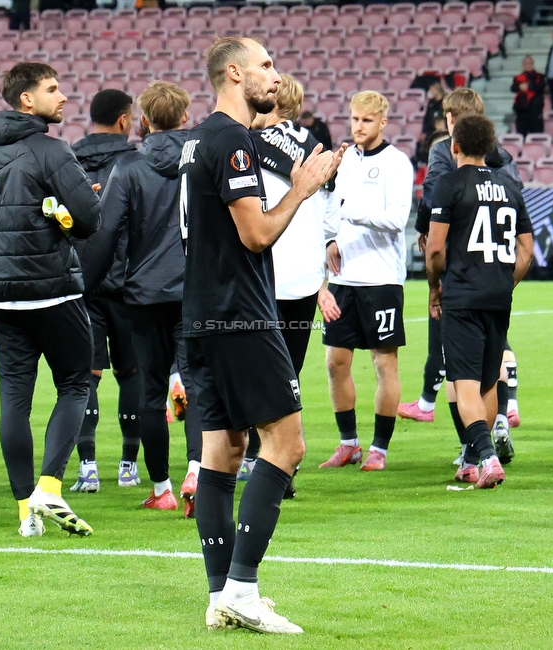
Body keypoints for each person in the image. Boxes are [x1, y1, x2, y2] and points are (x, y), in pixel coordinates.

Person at [180, 37, 341, 633]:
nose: (276, 74)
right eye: (265, 65)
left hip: (202, 312)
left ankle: (221, 592)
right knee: (288, 444)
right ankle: (243, 589)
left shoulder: (199, 139)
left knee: (221, 452)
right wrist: (303, 186)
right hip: (241, 313)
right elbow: (256, 235)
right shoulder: (233, 141)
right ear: (233, 72)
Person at [0, 62, 104, 537]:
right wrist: (71, 212)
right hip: (52, 288)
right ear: (27, 100)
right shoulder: (52, 150)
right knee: (75, 384)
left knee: (14, 401)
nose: (63, 95)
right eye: (52, 88)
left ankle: (26, 513)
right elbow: (89, 221)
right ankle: (48, 486)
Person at [93, 80, 203, 515]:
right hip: (193, 290)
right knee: (197, 384)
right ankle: (197, 466)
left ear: (143, 121)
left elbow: (107, 235)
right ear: (184, 118)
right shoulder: (201, 163)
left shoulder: (128, 168)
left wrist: (88, 285)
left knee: (151, 391)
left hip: (141, 294)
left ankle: (162, 487)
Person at [400, 88, 523, 459]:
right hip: (497, 271)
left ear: (453, 123)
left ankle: (473, 452)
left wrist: (433, 272)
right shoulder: (505, 160)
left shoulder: (445, 152)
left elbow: (435, 196)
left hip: (460, 270)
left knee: (460, 371)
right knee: (494, 356)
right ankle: (502, 414)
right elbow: (524, 232)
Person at [239, 74, 340, 492]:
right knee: (289, 372)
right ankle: (280, 463)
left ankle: (259, 457)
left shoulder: (252, 145)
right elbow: (330, 213)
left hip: (267, 274)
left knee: (253, 370)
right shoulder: (316, 147)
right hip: (304, 277)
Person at [426, 114, 534, 488]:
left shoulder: (448, 185)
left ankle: (486, 458)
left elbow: (436, 248)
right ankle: (473, 459)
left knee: (466, 382)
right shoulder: (509, 187)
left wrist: (435, 286)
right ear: (489, 147)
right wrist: (507, 281)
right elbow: (527, 250)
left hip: (463, 293)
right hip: (498, 295)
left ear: (454, 145)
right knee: (489, 383)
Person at [318, 90, 413, 472]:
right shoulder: (343, 162)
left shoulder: (396, 163)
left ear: (383, 122)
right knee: (335, 361)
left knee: (383, 364)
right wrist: (330, 239)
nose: (358, 126)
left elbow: (397, 219)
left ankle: (380, 449)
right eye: (355, 119)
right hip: (344, 278)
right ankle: (348, 443)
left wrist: (352, 213)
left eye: (367, 121)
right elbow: (329, 209)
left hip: (381, 279)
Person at [70, 89, 141, 493]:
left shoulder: (69, 162)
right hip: (131, 285)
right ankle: (129, 466)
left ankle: (88, 468)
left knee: (86, 375)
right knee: (131, 374)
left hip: (84, 282)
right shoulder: (136, 162)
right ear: (124, 119)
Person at [511, 56, 546, 136]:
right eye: (526, 63)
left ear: (533, 64)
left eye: (530, 63)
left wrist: (528, 86)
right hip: (522, 112)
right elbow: (513, 88)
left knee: (537, 136)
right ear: (523, 65)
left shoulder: (540, 76)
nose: (528, 65)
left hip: (535, 111)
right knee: (521, 135)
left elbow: (541, 86)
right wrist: (520, 87)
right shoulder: (518, 78)